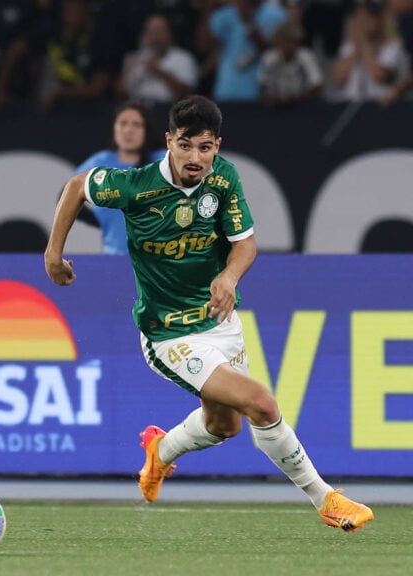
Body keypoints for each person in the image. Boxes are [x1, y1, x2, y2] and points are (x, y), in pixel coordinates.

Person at [44, 95, 375, 534]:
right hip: (169, 335)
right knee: (262, 404)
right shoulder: (134, 185)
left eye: (204, 147)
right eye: (185, 145)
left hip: (220, 321)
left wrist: (231, 276)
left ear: (217, 145)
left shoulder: (224, 180)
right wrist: (53, 253)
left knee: (225, 426)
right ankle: (326, 498)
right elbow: (77, 187)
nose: (195, 157)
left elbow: (245, 243)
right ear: (168, 142)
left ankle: (159, 452)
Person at [75, 101, 164, 255]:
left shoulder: (162, 160)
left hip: (158, 261)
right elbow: (67, 195)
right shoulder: (100, 162)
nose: (128, 130)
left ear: (146, 131)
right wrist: (100, 221)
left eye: (136, 125)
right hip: (114, 258)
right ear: (114, 129)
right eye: (122, 123)